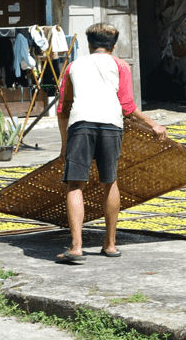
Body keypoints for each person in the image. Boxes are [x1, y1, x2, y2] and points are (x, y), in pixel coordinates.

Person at [56, 23, 166, 263]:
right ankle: (110, 244)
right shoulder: (120, 65)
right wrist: (153, 124)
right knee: (110, 181)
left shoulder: (74, 66)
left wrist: (65, 143)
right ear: (113, 46)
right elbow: (127, 107)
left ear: (89, 44)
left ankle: (76, 247)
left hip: (81, 124)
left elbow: (63, 107)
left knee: (75, 185)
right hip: (110, 125)